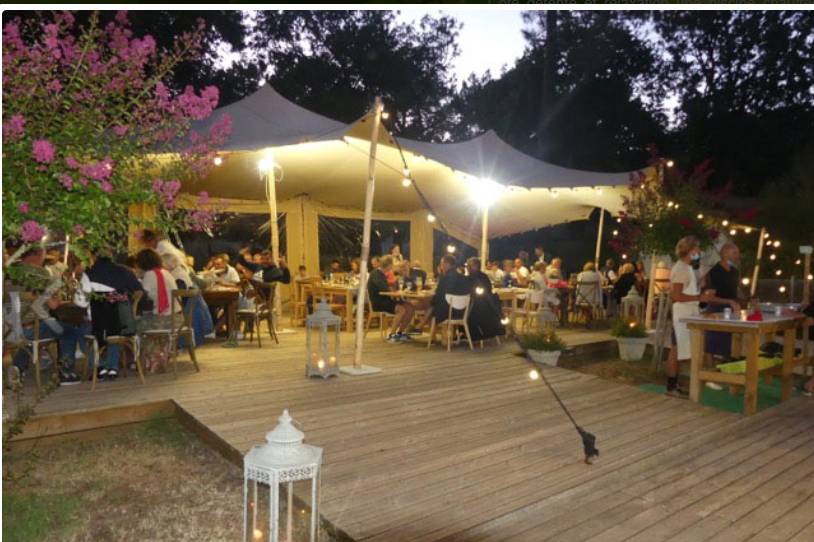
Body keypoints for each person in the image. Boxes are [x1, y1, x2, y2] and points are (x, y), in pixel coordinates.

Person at [5, 245, 64, 377]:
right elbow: (54, 305)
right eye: (43, 255)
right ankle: (66, 371)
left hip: (7, 328)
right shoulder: (40, 274)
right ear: (36, 255)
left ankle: (20, 367)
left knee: (33, 334)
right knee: (68, 329)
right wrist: (59, 292)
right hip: (31, 328)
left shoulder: (8, 271)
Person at [666, 236, 714, 397]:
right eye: (698, 249)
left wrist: (700, 295)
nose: (700, 252)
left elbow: (686, 292)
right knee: (676, 349)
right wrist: (700, 298)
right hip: (682, 314)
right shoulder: (680, 269)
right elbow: (676, 295)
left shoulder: (687, 268)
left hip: (689, 312)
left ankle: (674, 385)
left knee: (679, 349)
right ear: (691, 250)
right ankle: (671, 386)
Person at [86, 248, 143, 381]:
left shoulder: (88, 273)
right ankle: (112, 367)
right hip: (123, 322)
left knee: (82, 328)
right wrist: (132, 305)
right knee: (115, 326)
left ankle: (97, 366)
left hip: (97, 323)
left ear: (94, 257)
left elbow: (81, 301)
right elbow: (138, 291)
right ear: (111, 256)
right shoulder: (124, 271)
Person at [136, 248, 183, 373]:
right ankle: (162, 354)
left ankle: (153, 358)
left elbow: (142, 297)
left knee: (136, 326)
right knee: (147, 321)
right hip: (178, 319)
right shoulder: (166, 273)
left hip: (163, 320)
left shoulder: (149, 274)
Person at [54, 253, 94, 385]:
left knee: (69, 331)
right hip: (80, 317)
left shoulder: (67, 278)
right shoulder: (79, 278)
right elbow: (82, 302)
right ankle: (95, 367)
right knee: (72, 330)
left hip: (73, 316)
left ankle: (66, 370)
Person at [703, 242, 742, 362]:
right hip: (716, 310)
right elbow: (709, 297)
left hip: (731, 311)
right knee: (712, 341)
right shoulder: (714, 271)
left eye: (738, 253)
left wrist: (748, 300)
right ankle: (709, 367)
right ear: (724, 253)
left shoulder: (735, 272)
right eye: (734, 252)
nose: (737, 256)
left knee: (728, 342)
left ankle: (726, 367)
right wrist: (729, 301)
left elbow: (735, 291)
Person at [416, 254, 471, 331]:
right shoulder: (463, 277)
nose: (441, 266)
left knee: (431, 306)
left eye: (441, 263)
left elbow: (439, 295)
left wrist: (431, 301)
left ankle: (422, 327)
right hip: (462, 312)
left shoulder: (446, 278)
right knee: (432, 305)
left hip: (449, 312)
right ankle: (421, 326)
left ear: (447, 264)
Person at [367, 256, 415, 342]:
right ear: (388, 266)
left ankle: (400, 332)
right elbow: (384, 288)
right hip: (379, 302)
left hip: (386, 299)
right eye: (392, 265)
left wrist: (396, 287)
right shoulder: (375, 274)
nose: (392, 267)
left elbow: (389, 288)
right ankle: (392, 335)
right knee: (401, 310)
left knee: (410, 307)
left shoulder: (382, 274)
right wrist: (393, 290)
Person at [465, 257, 505, 341]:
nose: (467, 268)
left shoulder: (473, 278)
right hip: (488, 309)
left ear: (475, 266)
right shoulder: (484, 277)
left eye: (469, 266)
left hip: (477, 310)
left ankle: (469, 334)